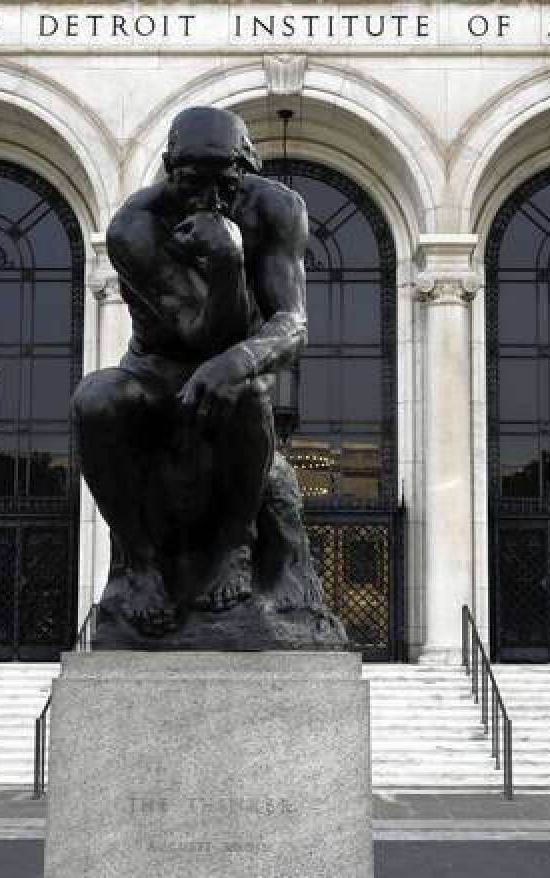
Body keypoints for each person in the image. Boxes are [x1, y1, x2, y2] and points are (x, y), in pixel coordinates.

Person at [72, 106, 313, 644]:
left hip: (232, 383)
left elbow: (292, 324)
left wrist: (237, 360)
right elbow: (200, 335)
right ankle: (140, 565)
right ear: (167, 169)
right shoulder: (134, 227)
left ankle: (234, 548)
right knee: (94, 399)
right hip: (156, 379)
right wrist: (227, 263)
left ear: (246, 168)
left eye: (222, 184)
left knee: (245, 390)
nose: (207, 199)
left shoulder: (278, 209)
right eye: (189, 182)